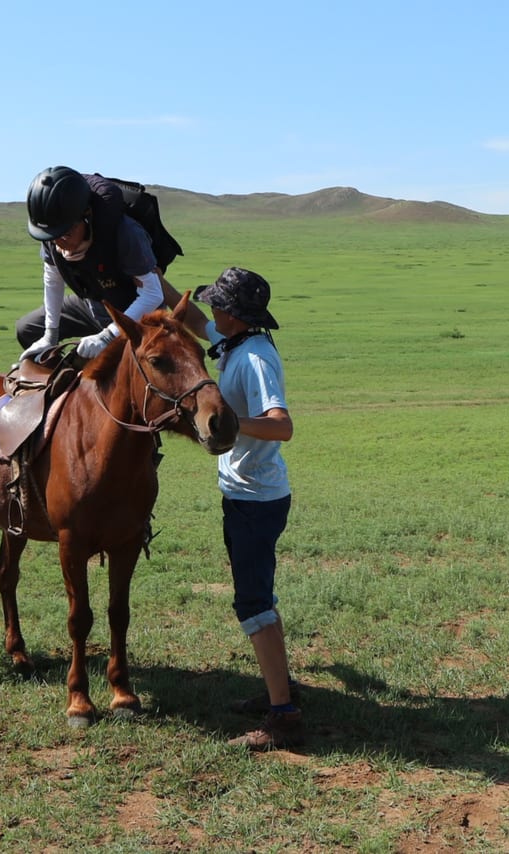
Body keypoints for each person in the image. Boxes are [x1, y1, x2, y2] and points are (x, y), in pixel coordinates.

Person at [169, 267, 303, 750]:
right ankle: (278, 689)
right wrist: (147, 273)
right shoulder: (235, 343)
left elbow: (282, 426)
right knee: (261, 599)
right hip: (247, 495)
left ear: (233, 313)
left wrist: (227, 421)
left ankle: (283, 714)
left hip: (256, 499)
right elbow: (188, 315)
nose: (212, 311)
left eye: (218, 304)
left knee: (252, 604)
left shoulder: (255, 359)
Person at [17, 167, 166, 361]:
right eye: (51, 237)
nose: (59, 243)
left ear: (87, 214)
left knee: (127, 364)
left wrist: (108, 335)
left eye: (66, 234)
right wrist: (50, 335)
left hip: (136, 314)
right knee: (28, 329)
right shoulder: (53, 231)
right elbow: (53, 278)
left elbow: (153, 294)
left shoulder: (126, 234)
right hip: (93, 305)